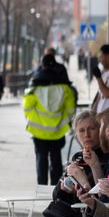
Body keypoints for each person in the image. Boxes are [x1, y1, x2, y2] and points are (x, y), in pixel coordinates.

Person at [24, 54, 76, 185]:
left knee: (41, 159)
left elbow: (27, 107)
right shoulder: (65, 88)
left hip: (38, 131)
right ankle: (55, 186)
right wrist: (64, 121)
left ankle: (41, 185)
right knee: (56, 158)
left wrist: (34, 119)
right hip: (58, 130)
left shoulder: (35, 87)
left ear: (42, 65)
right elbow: (70, 110)